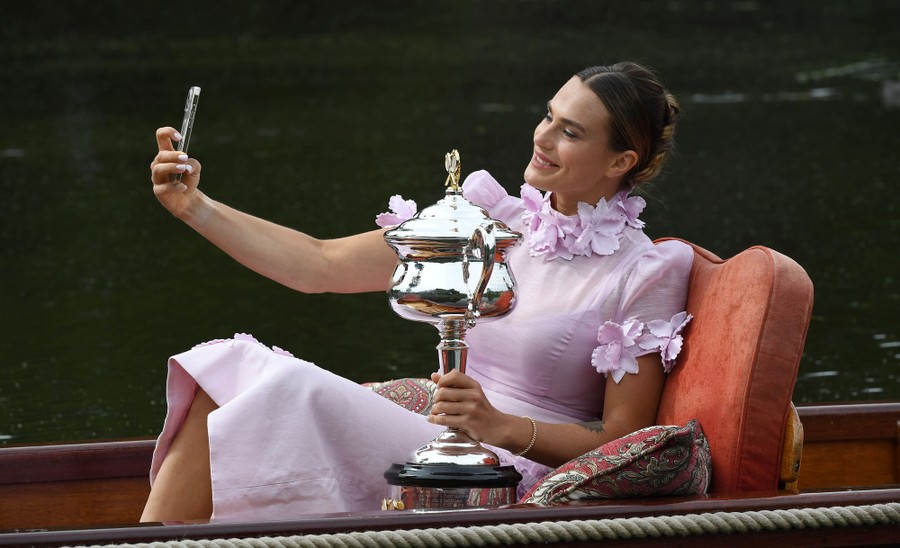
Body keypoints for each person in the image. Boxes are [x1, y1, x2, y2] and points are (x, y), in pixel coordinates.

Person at [141, 61, 693, 522]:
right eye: (549, 116)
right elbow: (320, 264)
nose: (543, 138)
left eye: (570, 132)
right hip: (433, 438)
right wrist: (195, 207)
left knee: (285, 387)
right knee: (229, 374)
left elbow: (626, 439)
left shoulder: (644, 270)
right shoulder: (490, 221)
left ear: (620, 162)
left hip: (505, 467)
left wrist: (502, 427)